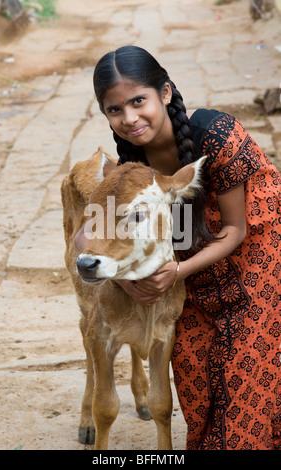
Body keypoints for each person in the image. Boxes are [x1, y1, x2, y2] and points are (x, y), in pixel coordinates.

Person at [85, 45, 281, 450]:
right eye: (114, 110)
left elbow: (236, 229)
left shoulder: (218, 134)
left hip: (256, 265)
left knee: (247, 385)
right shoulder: (127, 168)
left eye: (139, 101)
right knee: (194, 380)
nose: (130, 118)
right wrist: (126, 282)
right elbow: (90, 236)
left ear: (167, 93)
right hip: (181, 274)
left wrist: (175, 273)